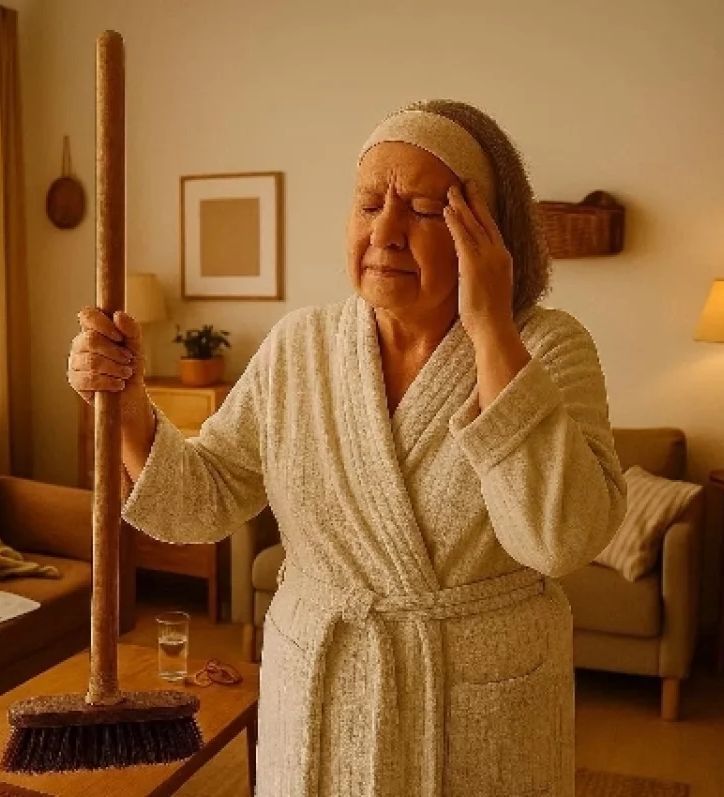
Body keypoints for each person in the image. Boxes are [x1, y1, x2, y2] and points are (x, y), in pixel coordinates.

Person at [68, 99, 627, 797]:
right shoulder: (298, 347)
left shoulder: (547, 346)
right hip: (321, 690)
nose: (385, 233)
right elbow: (199, 504)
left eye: (423, 210)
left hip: (479, 704)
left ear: (490, 232)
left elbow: (560, 540)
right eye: (367, 205)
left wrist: (491, 328)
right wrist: (126, 407)